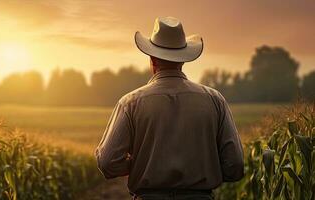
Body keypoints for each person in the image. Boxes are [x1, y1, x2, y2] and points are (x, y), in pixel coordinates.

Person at [95, 17, 244, 200]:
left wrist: (139, 164)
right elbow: (235, 165)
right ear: (183, 59)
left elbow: (107, 162)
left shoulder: (130, 103)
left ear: (152, 59)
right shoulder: (215, 100)